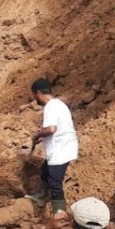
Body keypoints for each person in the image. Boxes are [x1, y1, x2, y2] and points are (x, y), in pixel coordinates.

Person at [26, 78, 79, 214]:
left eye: (33, 95)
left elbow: (51, 129)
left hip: (60, 150)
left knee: (55, 184)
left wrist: (38, 135)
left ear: (38, 93)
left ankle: (60, 217)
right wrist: (42, 137)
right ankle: (40, 196)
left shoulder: (49, 106)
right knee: (45, 171)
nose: (34, 99)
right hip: (66, 147)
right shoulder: (59, 104)